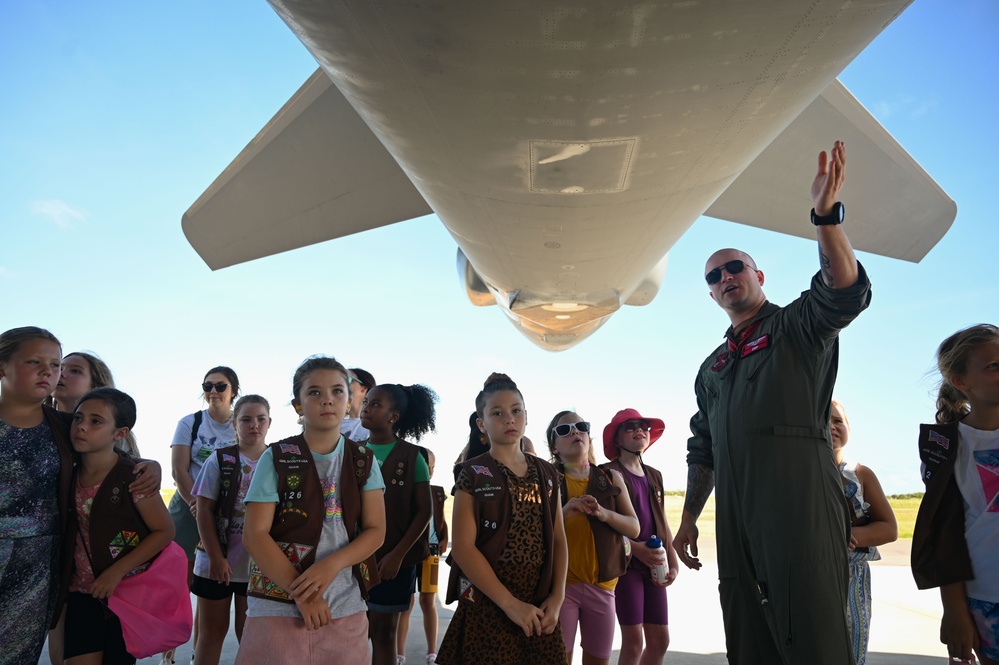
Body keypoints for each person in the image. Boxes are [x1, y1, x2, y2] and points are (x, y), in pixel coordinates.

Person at [674, 140, 872, 664]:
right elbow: (703, 447)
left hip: (797, 496)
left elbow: (842, 291)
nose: (725, 278)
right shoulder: (712, 367)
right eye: (714, 277)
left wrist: (825, 218)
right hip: (735, 513)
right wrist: (690, 516)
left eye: (734, 266)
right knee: (746, 627)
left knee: (811, 627)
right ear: (711, 295)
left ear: (758, 276)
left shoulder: (795, 328)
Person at [0, 327, 159, 665]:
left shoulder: (64, 426)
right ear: (3, 366)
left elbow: (113, 454)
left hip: (38, 568)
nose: (49, 371)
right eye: (34, 361)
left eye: (55, 364)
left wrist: (151, 465)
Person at [236, 356, 385, 665]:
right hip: (277, 605)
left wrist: (331, 565)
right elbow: (255, 535)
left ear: (349, 400)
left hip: (345, 606)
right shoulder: (275, 457)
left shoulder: (364, 461)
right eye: (315, 392)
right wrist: (303, 594)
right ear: (298, 405)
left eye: (337, 391)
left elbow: (376, 531)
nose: (327, 400)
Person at [437, 373, 568, 665]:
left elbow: (559, 539)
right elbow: (463, 548)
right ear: (481, 424)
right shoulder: (472, 473)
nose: (509, 418)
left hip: (539, 606)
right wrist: (510, 605)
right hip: (489, 603)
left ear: (526, 416)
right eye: (497, 413)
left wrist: (557, 598)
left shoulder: (548, 474)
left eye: (516, 410)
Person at [63, 388, 175, 665]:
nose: (82, 426)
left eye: (96, 421)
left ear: (120, 434)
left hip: (124, 594)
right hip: (81, 593)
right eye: (78, 418)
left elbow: (165, 531)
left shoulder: (134, 479)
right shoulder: (67, 470)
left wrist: (116, 572)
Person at [912, 324, 999, 665]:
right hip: (987, 599)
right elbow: (945, 534)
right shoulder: (944, 447)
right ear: (960, 381)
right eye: (993, 365)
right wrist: (954, 611)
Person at [548, 410, 640, 665]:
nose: (575, 432)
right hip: (562, 587)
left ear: (589, 437)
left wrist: (603, 513)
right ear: (554, 447)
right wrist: (564, 512)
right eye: (564, 430)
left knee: (599, 660)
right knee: (558, 659)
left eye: (581, 426)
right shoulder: (549, 480)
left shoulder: (611, 478)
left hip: (603, 586)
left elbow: (634, 528)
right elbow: (537, 531)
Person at [164, 366, 239, 665]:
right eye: (208, 385)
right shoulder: (190, 422)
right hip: (188, 505)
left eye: (221, 386)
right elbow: (178, 470)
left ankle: (199, 655)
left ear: (234, 390)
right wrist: (196, 505)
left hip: (228, 510)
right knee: (179, 584)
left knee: (208, 586)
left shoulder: (241, 422)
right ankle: (167, 653)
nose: (213, 391)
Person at [191, 395, 271, 665]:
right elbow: (203, 510)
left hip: (256, 566)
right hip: (216, 562)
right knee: (211, 632)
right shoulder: (219, 460)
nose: (254, 425)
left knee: (249, 633)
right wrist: (215, 556)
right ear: (234, 424)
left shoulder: (277, 462)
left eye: (260, 419)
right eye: (246, 419)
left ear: (269, 422)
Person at [359, 383, 436, 665]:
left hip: (394, 564)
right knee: (355, 631)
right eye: (366, 401)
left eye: (376, 404)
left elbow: (423, 512)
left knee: (383, 632)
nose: (366, 407)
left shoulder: (414, 456)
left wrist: (398, 555)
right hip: (355, 561)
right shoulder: (351, 452)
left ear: (393, 417)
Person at [601, 408, 677, 665]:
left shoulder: (655, 476)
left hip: (655, 565)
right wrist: (636, 549)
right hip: (626, 567)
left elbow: (662, 521)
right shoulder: (608, 474)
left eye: (644, 426)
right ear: (617, 439)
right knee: (633, 643)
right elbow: (601, 530)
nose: (639, 430)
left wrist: (673, 560)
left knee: (660, 641)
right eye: (630, 426)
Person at [830, 399, 898, 665]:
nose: (832, 426)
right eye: (824, 419)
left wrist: (843, 536)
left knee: (850, 649)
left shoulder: (859, 474)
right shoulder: (793, 475)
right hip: (805, 575)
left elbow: (889, 528)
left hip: (851, 580)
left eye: (838, 420)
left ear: (849, 428)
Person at [396, 449, 449, 665]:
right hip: (409, 553)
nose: (429, 471)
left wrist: (445, 537)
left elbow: (441, 519)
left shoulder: (437, 491)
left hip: (432, 553)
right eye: (426, 466)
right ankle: (400, 652)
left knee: (428, 600)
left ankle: (432, 651)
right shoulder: (405, 490)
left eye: (432, 467)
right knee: (407, 603)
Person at [52, 351, 140, 455]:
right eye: (59, 368)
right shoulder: (41, 422)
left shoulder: (112, 435)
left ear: (96, 385)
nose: (61, 374)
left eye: (75, 371)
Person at [342, 368, 376, 441]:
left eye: (347, 380)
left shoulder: (375, 427)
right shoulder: (331, 422)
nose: (342, 384)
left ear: (363, 389)